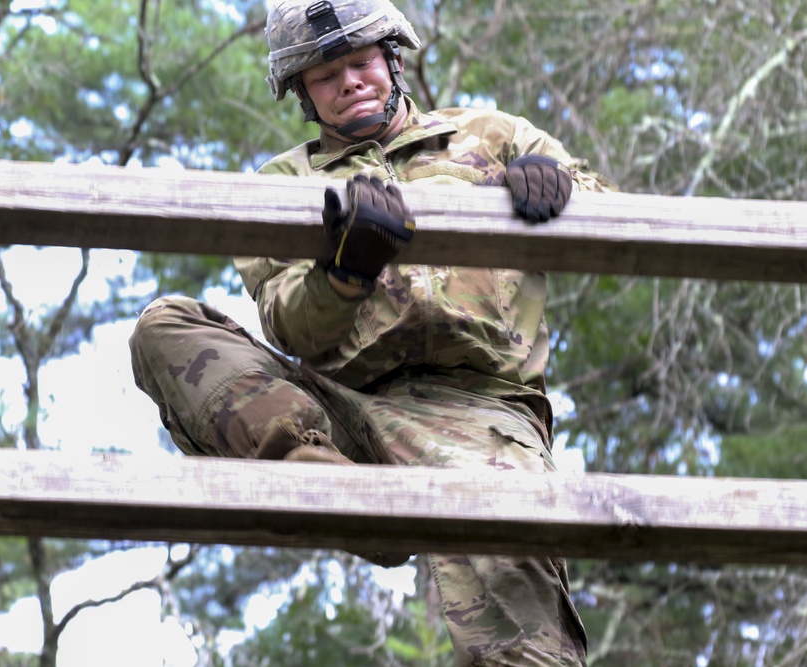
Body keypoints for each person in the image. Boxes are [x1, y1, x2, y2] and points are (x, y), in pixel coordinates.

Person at [130, 0, 612, 664]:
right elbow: (288, 321)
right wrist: (346, 272)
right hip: (339, 417)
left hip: (477, 410)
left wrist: (559, 188)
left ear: (392, 60)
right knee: (167, 327)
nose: (350, 82)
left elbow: (612, 216)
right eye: (326, 76)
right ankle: (326, 487)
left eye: (360, 63)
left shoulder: (493, 133)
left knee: (514, 592)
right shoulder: (287, 181)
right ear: (302, 92)